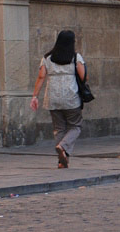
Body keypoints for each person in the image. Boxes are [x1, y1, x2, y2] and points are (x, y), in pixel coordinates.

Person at [29, 30, 85, 168]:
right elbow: (83, 77)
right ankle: (63, 146)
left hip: (52, 96)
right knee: (75, 126)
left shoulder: (47, 58)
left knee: (59, 128)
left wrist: (35, 96)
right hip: (71, 97)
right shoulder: (75, 57)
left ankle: (62, 160)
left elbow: (41, 77)